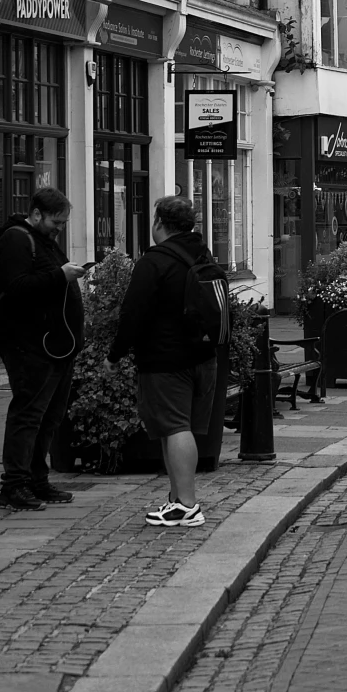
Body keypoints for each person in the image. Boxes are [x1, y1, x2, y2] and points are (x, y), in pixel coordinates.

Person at [110, 195, 224, 529]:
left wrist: (115, 355)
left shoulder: (155, 262)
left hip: (165, 360)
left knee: (174, 428)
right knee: (174, 429)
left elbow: (132, 313)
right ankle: (176, 500)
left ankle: (187, 504)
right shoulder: (203, 256)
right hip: (204, 358)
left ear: (159, 222)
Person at [0, 186, 86, 512]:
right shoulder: (17, 240)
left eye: (63, 222)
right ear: (37, 214)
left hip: (55, 346)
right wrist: (61, 276)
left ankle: (37, 480)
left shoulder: (43, 241)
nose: (59, 227)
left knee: (49, 417)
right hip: (29, 346)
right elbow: (16, 288)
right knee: (28, 415)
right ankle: (14, 486)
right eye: (56, 221)